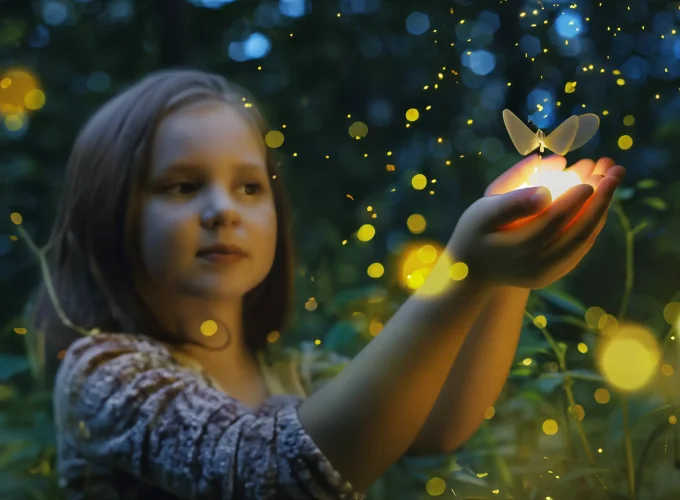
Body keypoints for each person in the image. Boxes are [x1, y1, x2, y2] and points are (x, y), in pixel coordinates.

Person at [30, 68, 626, 499]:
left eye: (249, 187)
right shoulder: (103, 373)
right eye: (183, 186)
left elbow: (436, 424)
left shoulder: (295, 375)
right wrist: (463, 272)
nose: (223, 210)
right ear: (109, 213)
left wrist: (504, 277)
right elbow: (276, 473)